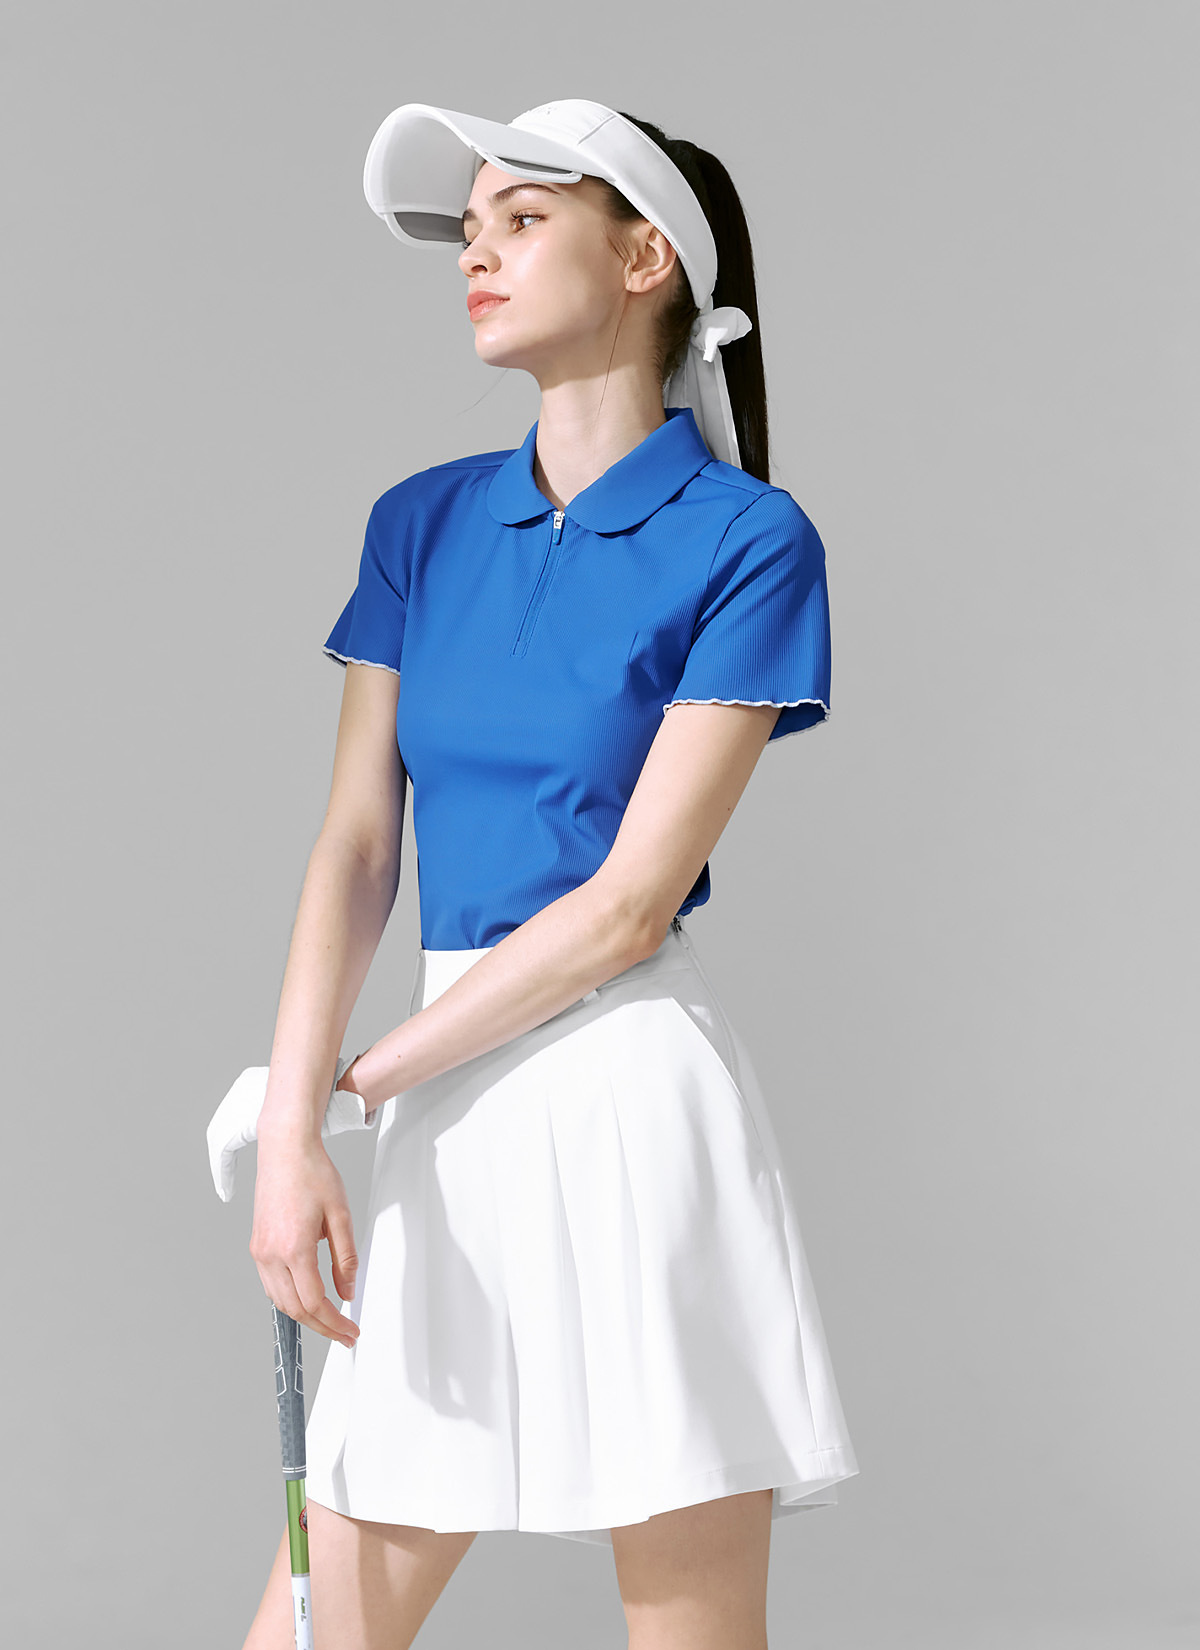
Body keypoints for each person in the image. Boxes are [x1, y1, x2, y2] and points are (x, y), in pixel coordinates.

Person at [240, 98, 858, 1649]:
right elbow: (357, 844)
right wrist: (294, 1126)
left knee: (691, 1626)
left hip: (625, 1096)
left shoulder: (749, 539)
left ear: (646, 259)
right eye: (470, 231)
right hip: (445, 1107)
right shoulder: (422, 524)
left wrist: (352, 1087)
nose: (479, 254)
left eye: (524, 219)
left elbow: (631, 905)